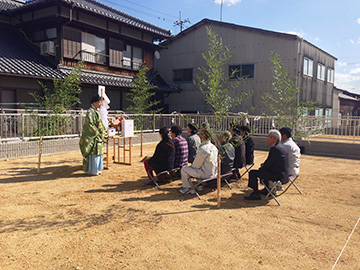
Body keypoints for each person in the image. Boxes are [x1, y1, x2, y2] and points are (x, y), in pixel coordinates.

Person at [244, 129, 288, 200]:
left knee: (253, 173)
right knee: (262, 172)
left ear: (273, 138)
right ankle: (266, 189)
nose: (267, 139)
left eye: (268, 137)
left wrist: (261, 169)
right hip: (283, 174)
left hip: (277, 175)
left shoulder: (275, 149)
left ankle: (255, 194)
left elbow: (268, 164)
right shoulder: (282, 147)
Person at [79, 95, 106, 176]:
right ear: (94, 103)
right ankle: (92, 170)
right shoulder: (90, 112)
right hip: (93, 136)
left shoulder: (96, 111)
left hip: (98, 135)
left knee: (98, 152)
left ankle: (97, 168)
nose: (101, 103)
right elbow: (89, 124)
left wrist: (102, 131)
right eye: (99, 102)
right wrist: (96, 132)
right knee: (93, 152)